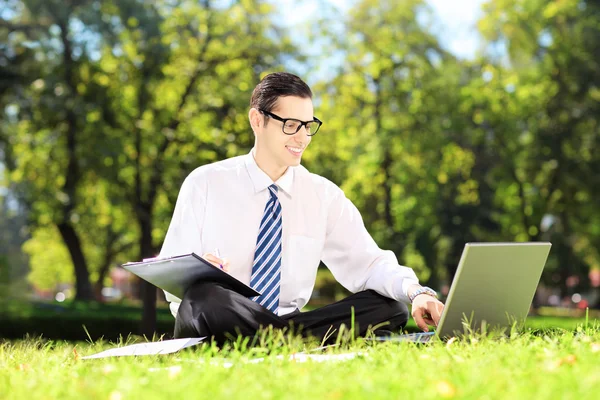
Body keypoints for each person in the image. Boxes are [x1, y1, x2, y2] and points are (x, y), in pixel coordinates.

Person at [159, 72, 444, 344]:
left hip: (287, 322)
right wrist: (200, 269)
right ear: (257, 120)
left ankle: (275, 341)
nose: (302, 138)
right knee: (203, 298)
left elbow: (370, 264)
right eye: (291, 125)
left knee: (391, 306)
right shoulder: (205, 182)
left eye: (308, 126)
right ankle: (293, 341)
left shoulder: (324, 195)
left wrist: (416, 292)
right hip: (221, 313)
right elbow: (172, 273)